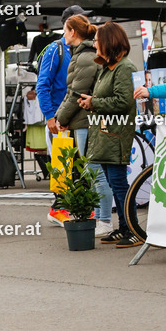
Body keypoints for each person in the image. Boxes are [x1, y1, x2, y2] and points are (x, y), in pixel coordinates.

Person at [77, 22, 138, 247]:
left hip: (117, 133)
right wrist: (91, 102)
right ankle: (123, 227)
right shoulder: (107, 67)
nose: (94, 44)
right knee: (114, 183)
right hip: (105, 133)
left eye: (97, 41)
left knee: (119, 183)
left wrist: (94, 102)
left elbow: (124, 101)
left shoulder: (124, 67)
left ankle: (132, 229)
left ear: (108, 42)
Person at [54, 14, 113, 235]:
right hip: (84, 120)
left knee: (95, 171)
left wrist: (60, 117)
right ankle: (100, 219)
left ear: (73, 32)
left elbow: (76, 92)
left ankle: (105, 220)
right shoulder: (84, 55)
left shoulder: (84, 57)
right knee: (93, 172)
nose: (63, 34)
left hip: (86, 122)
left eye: (65, 29)